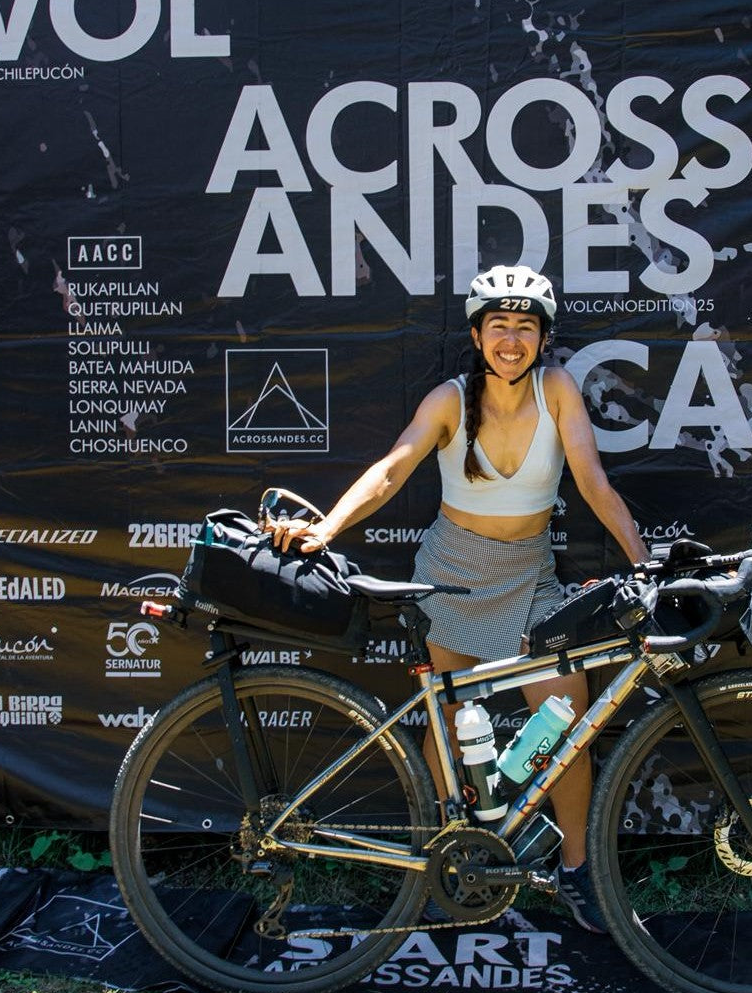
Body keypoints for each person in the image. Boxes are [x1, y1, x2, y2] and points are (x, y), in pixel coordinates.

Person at [270, 265, 650, 931]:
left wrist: (642, 564)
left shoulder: (556, 387)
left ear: (541, 339)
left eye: (525, 327)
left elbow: (593, 482)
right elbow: (394, 468)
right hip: (451, 570)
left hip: (531, 572)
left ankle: (576, 868)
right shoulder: (449, 399)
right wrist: (326, 527)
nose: (511, 339)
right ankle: (438, 859)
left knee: (567, 718)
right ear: (476, 336)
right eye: (498, 326)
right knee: (444, 730)